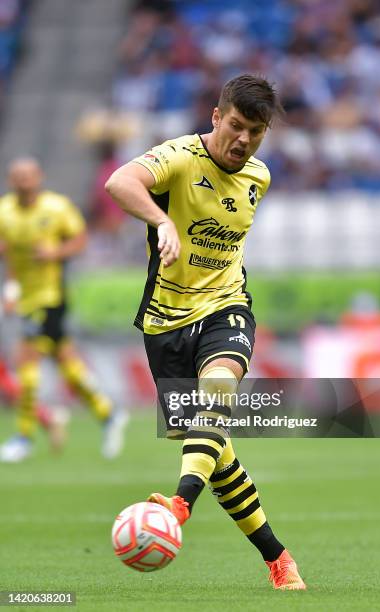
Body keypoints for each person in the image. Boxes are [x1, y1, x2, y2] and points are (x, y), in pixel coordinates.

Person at [106, 74, 306, 590]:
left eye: (256, 132)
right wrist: (162, 221)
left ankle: (179, 502)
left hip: (225, 309)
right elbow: (119, 183)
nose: (243, 140)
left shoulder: (259, 176)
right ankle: (278, 559)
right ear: (216, 117)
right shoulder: (178, 157)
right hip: (164, 323)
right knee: (215, 450)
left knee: (215, 398)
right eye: (236, 126)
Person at [0, 157, 128, 462]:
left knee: (26, 363)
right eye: (17, 177)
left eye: (28, 176)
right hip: (27, 297)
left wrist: (56, 251)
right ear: (10, 181)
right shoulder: (5, 212)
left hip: (51, 297)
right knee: (66, 363)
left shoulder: (56, 208)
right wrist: (11, 291)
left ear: (39, 178)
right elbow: (10, 257)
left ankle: (24, 436)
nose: (23, 182)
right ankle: (108, 414)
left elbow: (81, 240)